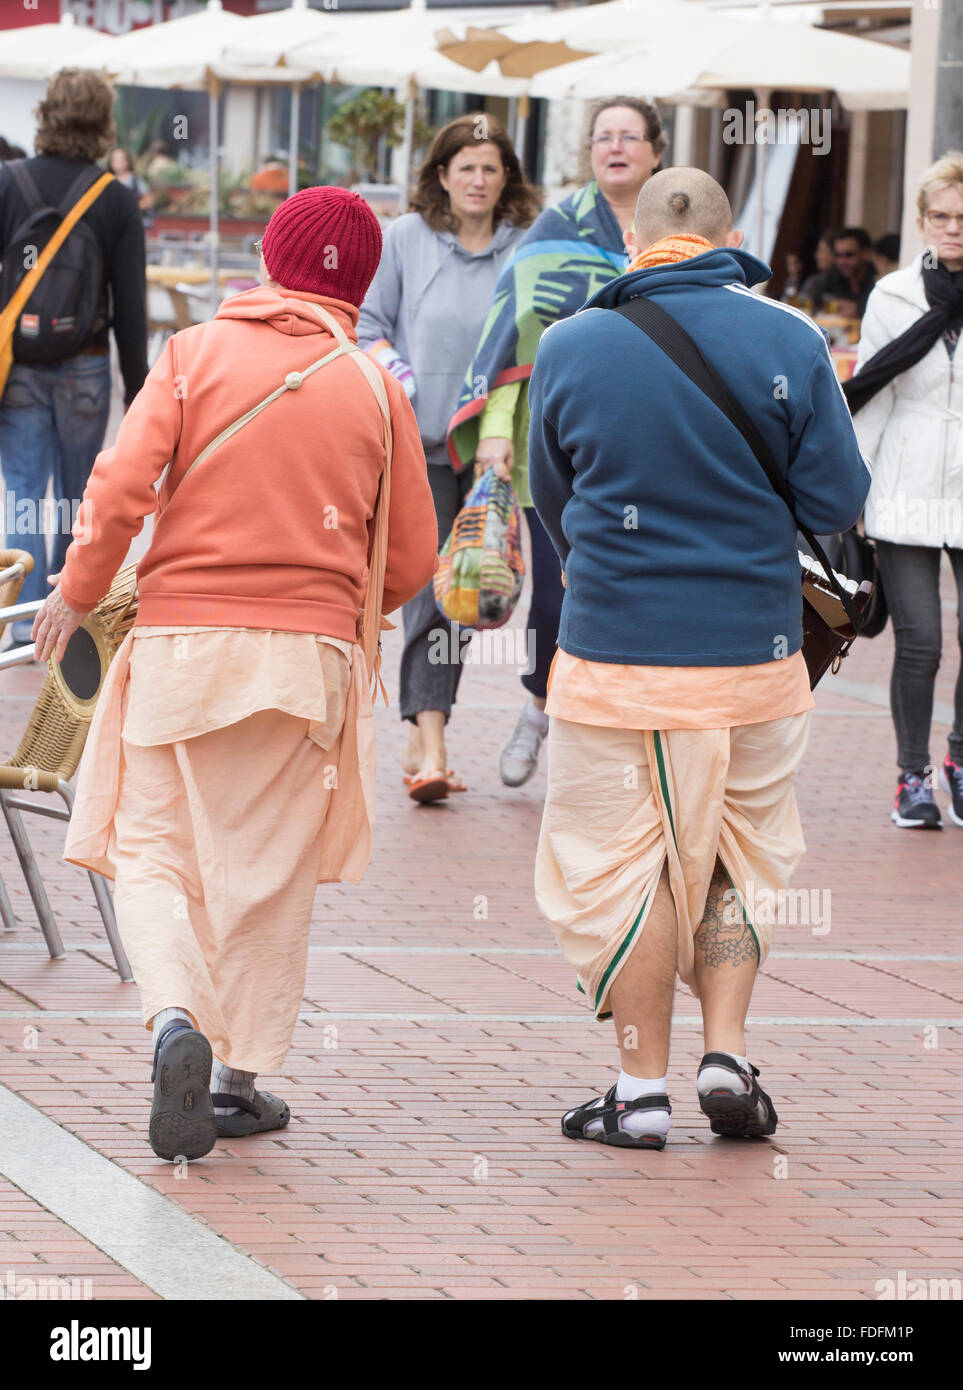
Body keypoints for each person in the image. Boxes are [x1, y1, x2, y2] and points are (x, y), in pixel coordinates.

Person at [30, 186, 438, 1161]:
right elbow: (416, 559)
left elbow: (120, 488)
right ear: (366, 279)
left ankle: (174, 1017)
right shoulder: (375, 386)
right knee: (267, 871)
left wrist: (79, 590)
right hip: (307, 663)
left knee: (154, 847)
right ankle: (238, 1080)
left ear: (267, 256)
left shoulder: (194, 353)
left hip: (180, 645)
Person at [528, 168, 870, 1149]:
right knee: (737, 860)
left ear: (636, 237)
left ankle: (638, 1091)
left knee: (620, 869)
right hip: (755, 655)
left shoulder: (572, 342)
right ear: (728, 235)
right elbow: (838, 503)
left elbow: (554, 500)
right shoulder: (792, 338)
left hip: (611, 654)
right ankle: (725, 1054)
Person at [449, 97, 666, 789]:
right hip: (557, 444)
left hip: (653, 446)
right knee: (553, 600)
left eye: (629, 136)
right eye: (603, 136)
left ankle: (611, 738)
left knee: (636, 595)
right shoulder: (553, 229)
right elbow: (513, 340)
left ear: (656, 152)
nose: (615, 147)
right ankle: (538, 709)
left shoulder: (681, 225)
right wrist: (492, 436)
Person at [357, 113, 538, 803]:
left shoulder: (524, 246)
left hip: (493, 446)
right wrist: (398, 377)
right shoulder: (404, 239)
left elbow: (529, 341)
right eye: (465, 167)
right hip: (419, 442)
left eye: (490, 168)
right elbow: (368, 326)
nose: (478, 180)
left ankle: (424, 729)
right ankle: (430, 738)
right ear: (441, 175)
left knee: (473, 588)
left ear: (505, 179)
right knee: (432, 586)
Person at [0, 69, 148, 646]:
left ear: (46, 114)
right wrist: (138, 393)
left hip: (20, 366)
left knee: (21, 488)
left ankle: (18, 623)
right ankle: (64, 616)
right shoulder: (114, 197)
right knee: (75, 494)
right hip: (86, 364)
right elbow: (130, 305)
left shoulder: (9, 183)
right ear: (104, 122)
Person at [848, 153, 963, 830]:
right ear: (921, 222)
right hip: (903, 485)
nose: (953, 229)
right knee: (918, 641)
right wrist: (852, 495)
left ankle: (959, 760)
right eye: (941, 217)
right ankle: (912, 777)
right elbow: (869, 395)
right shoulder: (891, 296)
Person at [825, 226, 877, 317]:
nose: (842, 261)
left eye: (849, 255)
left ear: (865, 253)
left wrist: (858, 310)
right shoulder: (832, 276)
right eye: (838, 255)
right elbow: (811, 300)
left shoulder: (877, 280)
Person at [108, 146, 155, 228]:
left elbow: (148, 200)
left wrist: (132, 208)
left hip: (134, 224)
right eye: (115, 159)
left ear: (127, 161)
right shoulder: (108, 181)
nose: (118, 162)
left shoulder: (136, 180)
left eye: (120, 159)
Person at [799, 229, 836, 307]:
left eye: (821, 250)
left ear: (835, 253)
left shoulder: (816, 281)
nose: (816, 256)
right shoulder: (818, 279)